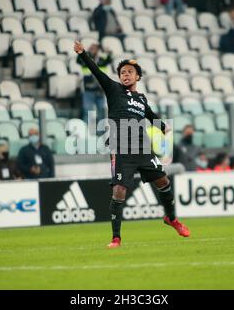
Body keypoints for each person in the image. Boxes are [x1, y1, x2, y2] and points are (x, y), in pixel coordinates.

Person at [74, 40, 190, 248]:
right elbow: (96, 72)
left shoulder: (142, 98)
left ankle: (171, 219)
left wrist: (162, 126)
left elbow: (150, 115)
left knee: (163, 182)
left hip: (143, 149)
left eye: (129, 72)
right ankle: (116, 238)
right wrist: (83, 54)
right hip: (121, 150)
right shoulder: (113, 89)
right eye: (122, 73)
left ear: (137, 77)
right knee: (119, 190)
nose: (125, 75)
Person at [77, 43, 112, 124]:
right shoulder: (85, 59)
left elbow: (109, 60)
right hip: (89, 90)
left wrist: (108, 53)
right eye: (91, 48)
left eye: (94, 48)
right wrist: (82, 52)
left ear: (98, 50)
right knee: (89, 112)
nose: (92, 50)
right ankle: (88, 132)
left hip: (101, 90)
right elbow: (78, 60)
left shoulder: (102, 60)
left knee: (102, 112)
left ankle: (102, 133)